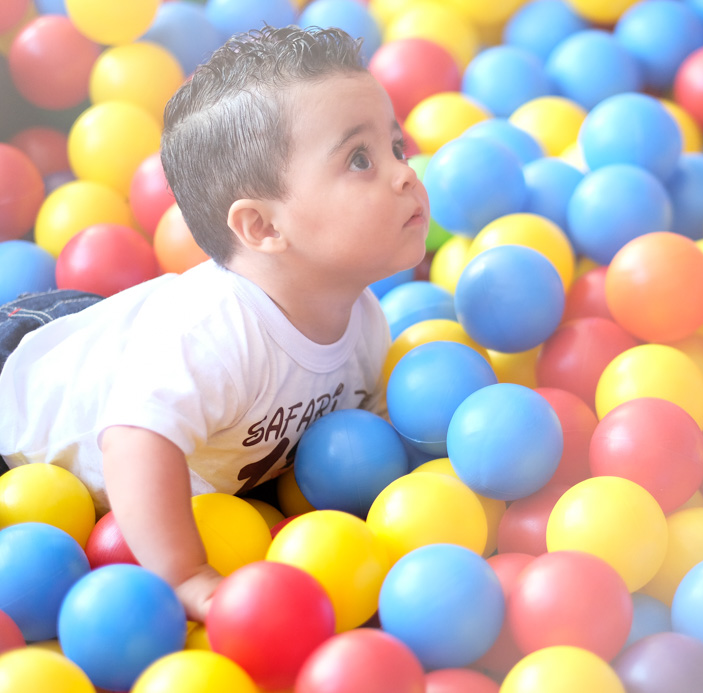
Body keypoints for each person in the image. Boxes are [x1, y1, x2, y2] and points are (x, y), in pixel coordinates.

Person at [0, 25, 430, 623]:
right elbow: (135, 439)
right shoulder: (215, 334)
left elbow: (366, 439)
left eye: (397, 148)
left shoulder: (363, 319)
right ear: (263, 228)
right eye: (360, 159)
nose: (405, 173)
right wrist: (184, 573)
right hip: (22, 387)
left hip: (120, 342)